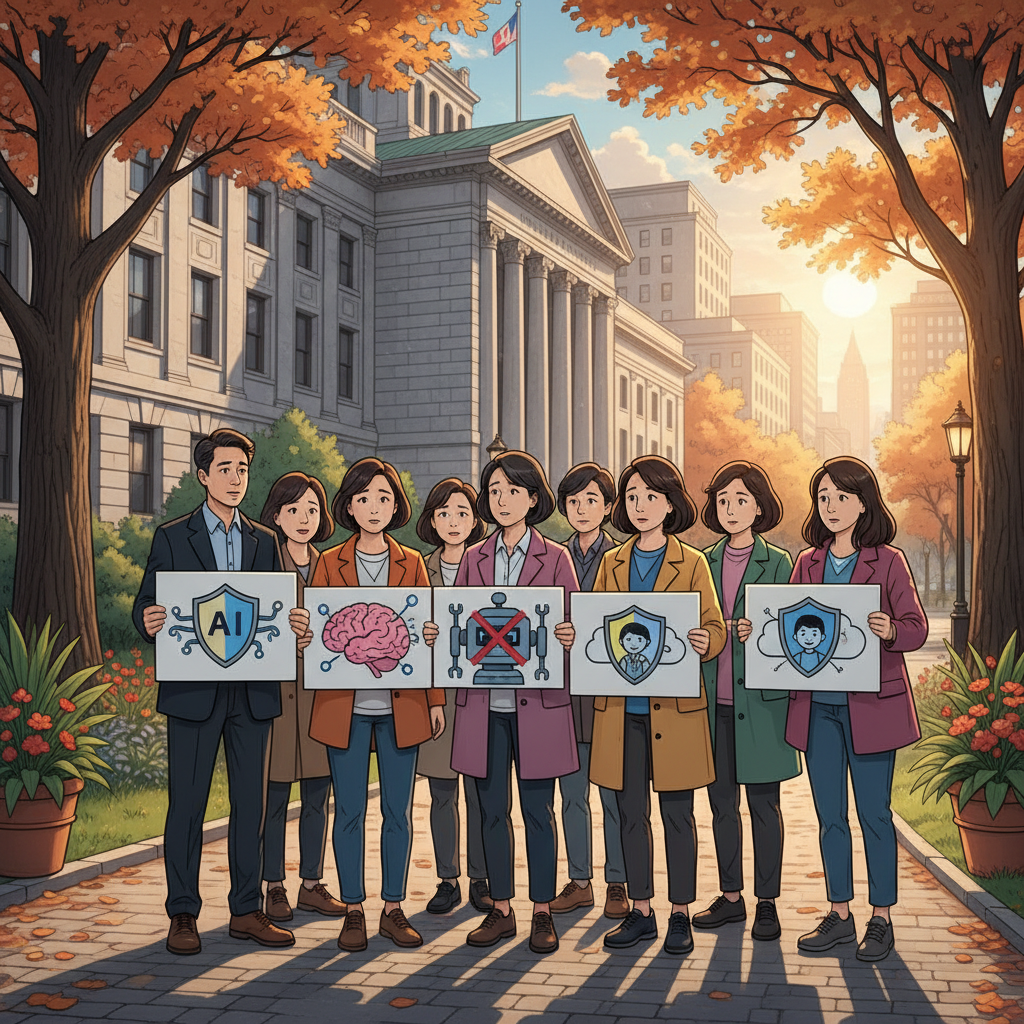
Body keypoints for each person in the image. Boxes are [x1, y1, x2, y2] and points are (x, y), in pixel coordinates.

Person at [132, 428, 312, 956]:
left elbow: (275, 608)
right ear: (202, 475)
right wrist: (149, 619)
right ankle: (183, 913)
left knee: (249, 805)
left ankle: (246, 910)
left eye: (242, 470)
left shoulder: (264, 539)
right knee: (186, 804)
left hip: (252, 692)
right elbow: (147, 604)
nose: (235, 479)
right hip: (194, 692)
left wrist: (296, 624)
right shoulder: (172, 536)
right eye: (225, 469)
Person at [426, 450, 579, 956]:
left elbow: (575, 629)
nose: (502, 500)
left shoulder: (556, 558)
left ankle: (541, 911)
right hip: (484, 707)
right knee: (491, 811)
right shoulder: (473, 558)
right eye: (493, 491)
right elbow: (460, 628)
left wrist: (566, 634)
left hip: (537, 705)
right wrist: (441, 632)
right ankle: (501, 908)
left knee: (539, 811)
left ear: (533, 499)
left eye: (513, 491)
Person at [787, 456, 927, 963]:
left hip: (871, 708)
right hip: (819, 709)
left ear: (863, 503)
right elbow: (790, 626)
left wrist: (890, 629)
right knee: (830, 816)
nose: (830, 506)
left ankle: (881, 918)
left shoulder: (888, 561)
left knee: (874, 815)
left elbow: (916, 627)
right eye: (823, 497)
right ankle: (840, 913)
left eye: (840, 497)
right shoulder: (807, 562)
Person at [589, 455, 726, 957]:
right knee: (629, 814)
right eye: (632, 497)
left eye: (651, 496)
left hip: (675, 710)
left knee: (677, 815)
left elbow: (714, 628)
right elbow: (598, 628)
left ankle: (680, 913)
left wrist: (702, 641)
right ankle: (641, 911)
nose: (640, 506)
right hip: (622, 710)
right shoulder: (611, 562)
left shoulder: (692, 562)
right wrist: (575, 635)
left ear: (671, 504)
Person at [307, 457, 446, 953]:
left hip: (400, 706)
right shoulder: (327, 562)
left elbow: (427, 637)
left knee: (397, 810)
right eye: (363, 498)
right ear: (348, 505)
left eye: (383, 498)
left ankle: (391, 906)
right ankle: (351, 908)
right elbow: (320, 639)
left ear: (396, 505)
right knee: (347, 809)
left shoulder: (411, 562)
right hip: (343, 706)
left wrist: (434, 700)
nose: (373, 507)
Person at [693, 461, 800, 944]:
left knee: (764, 805)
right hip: (711, 703)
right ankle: (731, 896)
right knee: (720, 805)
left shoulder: (780, 563)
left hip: (760, 704)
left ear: (760, 505)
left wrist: (764, 633)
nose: (731, 509)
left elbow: (797, 629)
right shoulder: (701, 560)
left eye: (741, 499)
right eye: (722, 500)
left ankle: (767, 902)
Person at [258, 472, 346, 923]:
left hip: (321, 698)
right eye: (293, 510)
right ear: (276, 515)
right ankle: (273, 884)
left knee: (318, 794)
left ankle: (311, 882)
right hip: (273, 699)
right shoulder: (262, 563)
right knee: (272, 796)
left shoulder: (332, 565)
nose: (304, 518)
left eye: (312, 509)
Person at [549, 462, 628, 921]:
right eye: (574, 502)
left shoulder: (621, 558)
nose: (582, 509)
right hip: (562, 694)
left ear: (607, 507)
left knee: (613, 794)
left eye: (592, 501)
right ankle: (580, 880)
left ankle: (617, 881)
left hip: (609, 692)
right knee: (571, 794)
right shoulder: (552, 557)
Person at [413, 477, 492, 916]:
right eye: (444, 513)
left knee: (482, 793)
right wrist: (432, 697)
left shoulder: (489, 566)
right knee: (442, 792)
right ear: (432, 520)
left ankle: (481, 877)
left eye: (463, 512)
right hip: (438, 697)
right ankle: (448, 878)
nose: (454, 521)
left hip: (483, 696)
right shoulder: (418, 570)